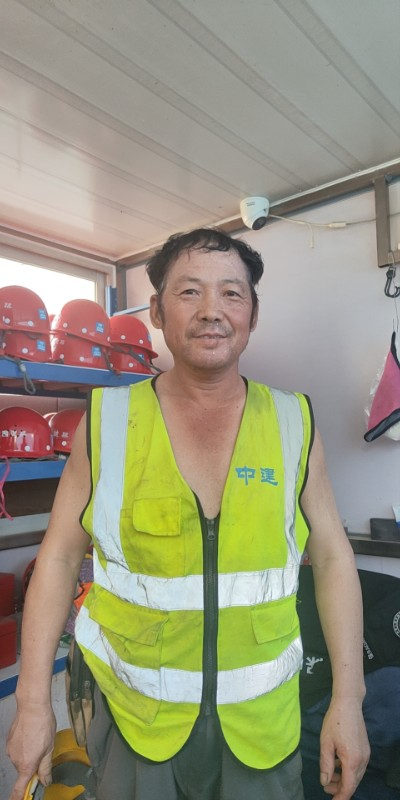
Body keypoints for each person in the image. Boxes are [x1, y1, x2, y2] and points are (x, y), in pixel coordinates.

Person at [7, 228, 370, 800]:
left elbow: (332, 557)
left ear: (253, 314)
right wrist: (32, 703)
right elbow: (56, 560)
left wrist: (349, 701)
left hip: (261, 727)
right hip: (135, 722)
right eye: (189, 292)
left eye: (232, 293)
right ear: (156, 311)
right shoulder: (107, 421)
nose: (211, 311)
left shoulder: (293, 422)